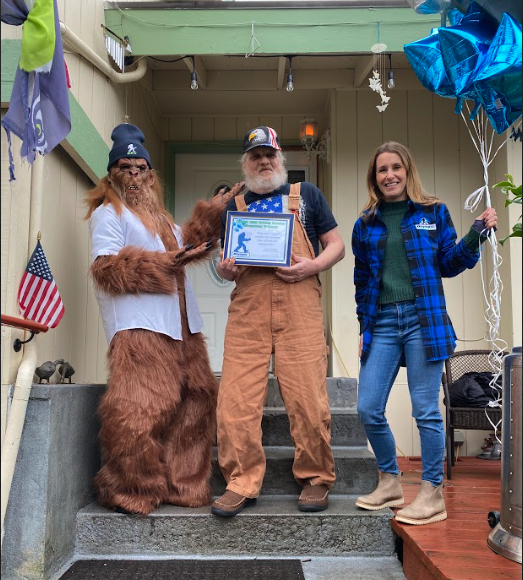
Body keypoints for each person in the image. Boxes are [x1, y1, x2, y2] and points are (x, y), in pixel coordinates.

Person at [85, 122, 242, 515]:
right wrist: (165, 263)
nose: (134, 176)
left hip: (183, 329)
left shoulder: (162, 222)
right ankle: (129, 487)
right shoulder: (109, 214)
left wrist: (214, 215)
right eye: (125, 168)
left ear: (151, 175)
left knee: (197, 402)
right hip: (142, 328)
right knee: (139, 411)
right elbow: (105, 268)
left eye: (140, 169)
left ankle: (183, 484)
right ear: (112, 173)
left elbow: (186, 245)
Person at [352, 141, 497, 525]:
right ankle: (390, 482)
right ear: (375, 177)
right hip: (381, 322)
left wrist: (476, 234)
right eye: (382, 170)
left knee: (426, 411)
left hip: (423, 321)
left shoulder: (433, 212)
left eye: (395, 167)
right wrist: (364, 327)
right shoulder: (364, 224)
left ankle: (432, 493)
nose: (390, 175)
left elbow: (449, 263)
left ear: (407, 170)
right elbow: (362, 280)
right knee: (367, 406)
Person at [211, 126, 345, 518]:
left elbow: (336, 244)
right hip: (249, 310)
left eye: (269, 154)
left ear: (281, 159)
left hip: (300, 304)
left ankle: (316, 478)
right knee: (235, 400)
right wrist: (224, 270)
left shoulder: (307, 197)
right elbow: (228, 267)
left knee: (308, 398)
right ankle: (241, 482)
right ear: (246, 163)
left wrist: (314, 265)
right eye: (255, 156)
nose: (264, 161)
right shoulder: (233, 205)